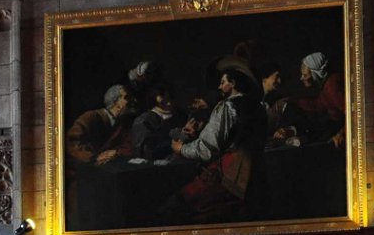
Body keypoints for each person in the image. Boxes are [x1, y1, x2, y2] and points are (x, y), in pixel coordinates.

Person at [163, 57, 268, 222]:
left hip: (230, 177)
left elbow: (206, 149)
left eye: (222, 82)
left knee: (178, 204)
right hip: (257, 177)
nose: (219, 86)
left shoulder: (226, 107)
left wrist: (181, 148)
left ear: (232, 83)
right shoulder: (259, 108)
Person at [282, 52, 346, 148]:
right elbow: (319, 104)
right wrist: (293, 100)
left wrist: (341, 134)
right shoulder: (327, 85)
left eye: (305, 75)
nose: (301, 78)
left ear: (316, 73)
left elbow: (354, 115)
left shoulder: (332, 87)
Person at [65, 83, 133, 165]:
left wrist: (116, 152)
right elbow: (70, 143)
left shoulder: (122, 123)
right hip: (85, 167)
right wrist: (95, 157)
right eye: (126, 98)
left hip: (107, 167)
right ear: (115, 102)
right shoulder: (91, 117)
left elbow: (128, 146)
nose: (131, 101)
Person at [130, 86, 182, 160]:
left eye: (169, 96)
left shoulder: (179, 117)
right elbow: (143, 150)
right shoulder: (143, 120)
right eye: (162, 95)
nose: (166, 99)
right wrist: (171, 143)